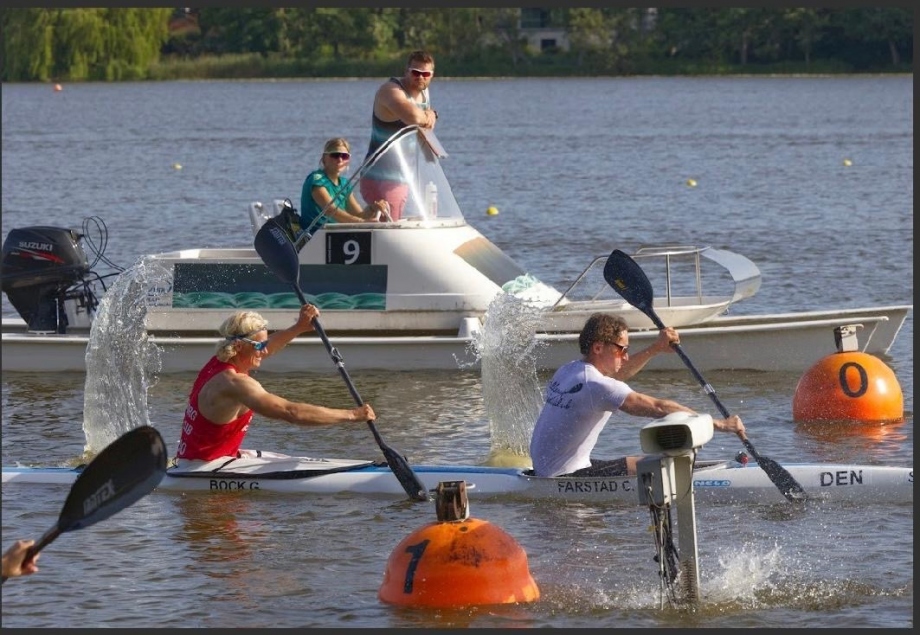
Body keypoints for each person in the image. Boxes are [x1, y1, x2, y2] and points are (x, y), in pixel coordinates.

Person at [529, 313, 745, 478]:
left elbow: (619, 374)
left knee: (640, 463)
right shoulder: (596, 385)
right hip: (565, 478)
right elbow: (658, 407)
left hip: (548, 469)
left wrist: (656, 348)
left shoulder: (569, 371)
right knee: (661, 464)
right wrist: (718, 424)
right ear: (598, 347)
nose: (626, 355)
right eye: (622, 349)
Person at [175, 305, 376, 462]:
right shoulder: (235, 384)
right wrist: (351, 415)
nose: (264, 351)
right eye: (260, 346)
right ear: (238, 346)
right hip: (205, 467)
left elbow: (267, 346)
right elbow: (290, 413)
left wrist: (299, 326)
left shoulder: (221, 360)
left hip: (206, 458)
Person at [359, 50, 437, 221]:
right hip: (380, 176)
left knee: (408, 221)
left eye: (426, 74)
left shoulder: (424, 93)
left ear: (432, 75)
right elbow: (414, 117)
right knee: (391, 228)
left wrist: (431, 114)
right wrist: (431, 115)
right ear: (406, 71)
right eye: (416, 73)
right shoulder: (390, 90)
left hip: (403, 175)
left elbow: (424, 128)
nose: (420, 78)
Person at [299, 137, 391, 234]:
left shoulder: (344, 184)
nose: (340, 160)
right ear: (324, 158)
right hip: (315, 235)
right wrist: (361, 223)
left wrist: (373, 208)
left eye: (344, 156)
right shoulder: (317, 179)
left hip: (335, 233)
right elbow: (330, 210)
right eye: (335, 155)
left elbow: (360, 215)